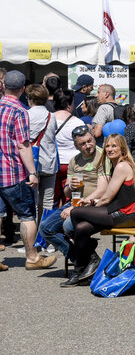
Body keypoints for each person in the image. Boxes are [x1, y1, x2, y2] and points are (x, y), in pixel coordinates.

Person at [65, 134, 135, 287]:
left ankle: (88, 262)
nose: (109, 149)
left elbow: (107, 198)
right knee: (81, 228)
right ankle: (80, 269)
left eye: (114, 146)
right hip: (120, 212)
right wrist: (91, 201)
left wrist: (90, 205)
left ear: (122, 149)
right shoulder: (116, 165)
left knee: (75, 212)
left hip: (127, 214)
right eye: (107, 146)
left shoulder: (122, 166)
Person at [0, 71, 56, 270]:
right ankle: (32, 257)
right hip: (12, 171)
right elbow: (23, 146)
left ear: (3, 85)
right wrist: (32, 172)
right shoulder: (20, 111)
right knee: (26, 214)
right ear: (22, 89)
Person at [39, 125, 104, 279]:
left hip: (93, 203)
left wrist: (78, 205)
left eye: (90, 141)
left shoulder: (102, 156)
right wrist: (70, 186)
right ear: (76, 146)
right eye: (83, 144)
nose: (88, 146)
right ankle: (81, 258)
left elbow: (103, 190)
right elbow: (67, 193)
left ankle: (83, 261)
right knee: (45, 228)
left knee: (68, 225)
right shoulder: (74, 161)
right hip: (74, 202)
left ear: (94, 139)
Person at [26, 84, 59, 220]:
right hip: (49, 161)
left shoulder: (25, 115)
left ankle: (32, 235)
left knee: (31, 202)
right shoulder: (52, 116)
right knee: (47, 202)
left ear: (30, 99)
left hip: (30, 163)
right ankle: (44, 235)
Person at [53, 88, 85, 204]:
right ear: (69, 105)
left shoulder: (47, 119)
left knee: (52, 198)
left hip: (53, 163)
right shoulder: (78, 123)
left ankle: (50, 220)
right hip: (72, 164)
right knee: (71, 197)